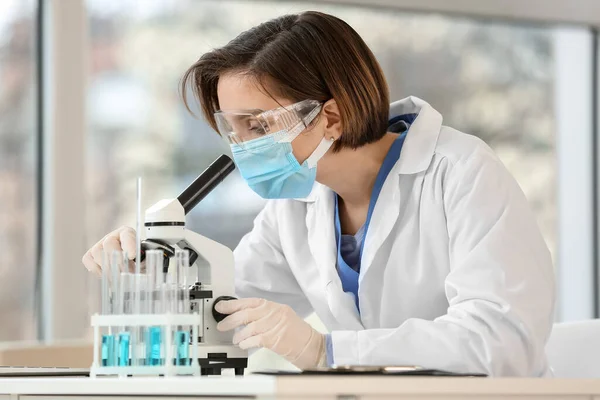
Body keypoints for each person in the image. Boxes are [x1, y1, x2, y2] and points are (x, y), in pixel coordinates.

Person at [82, 11, 555, 376]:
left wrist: (323, 349)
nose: (243, 147)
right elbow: (225, 317)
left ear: (330, 116)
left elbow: (502, 340)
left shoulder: (461, 172)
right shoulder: (295, 204)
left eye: (259, 125)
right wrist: (153, 274)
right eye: (233, 129)